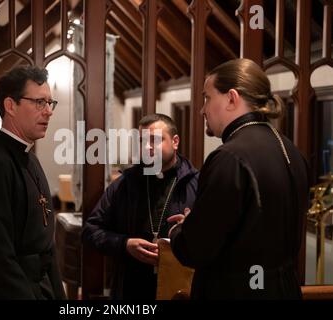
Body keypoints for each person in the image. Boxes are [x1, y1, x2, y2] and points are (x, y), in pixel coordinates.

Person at [169, 58, 309, 299]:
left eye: (207, 98)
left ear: (232, 98)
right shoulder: (290, 150)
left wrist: (181, 230)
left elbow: (196, 249)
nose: (202, 109)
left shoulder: (229, 157)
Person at [0, 65, 66, 299]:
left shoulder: (31, 160)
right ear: (10, 106)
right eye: (39, 102)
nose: (48, 111)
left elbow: (47, 246)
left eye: (50, 103)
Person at [82, 114, 199, 299]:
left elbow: (214, 238)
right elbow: (91, 231)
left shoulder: (197, 184)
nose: (147, 147)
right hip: (131, 289)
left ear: (175, 142)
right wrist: (125, 244)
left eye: (155, 140)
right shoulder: (124, 185)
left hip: (180, 290)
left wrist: (191, 227)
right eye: (142, 141)